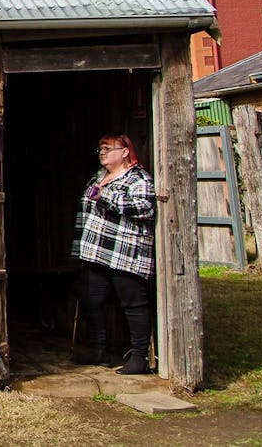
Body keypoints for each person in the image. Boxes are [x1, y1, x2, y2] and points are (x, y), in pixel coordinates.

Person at [73, 134, 156, 375]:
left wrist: (106, 196)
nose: (102, 152)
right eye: (100, 148)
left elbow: (144, 208)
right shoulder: (99, 177)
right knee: (90, 297)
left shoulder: (139, 178)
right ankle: (100, 350)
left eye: (108, 148)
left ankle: (140, 357)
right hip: (97, 251)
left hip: (125, 253)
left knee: (133, 303)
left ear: (125, 152)